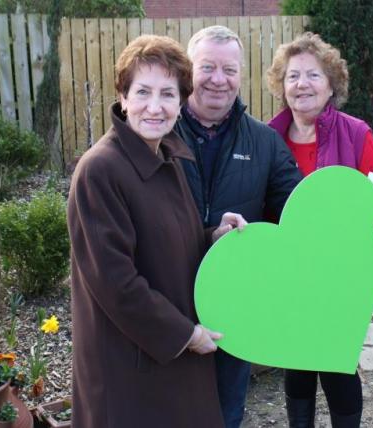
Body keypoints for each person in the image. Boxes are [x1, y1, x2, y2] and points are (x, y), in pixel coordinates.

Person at [67, 34, 247, 427]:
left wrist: (211, 237)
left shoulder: (168, 157)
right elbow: (115, 282)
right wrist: (184, 334)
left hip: (171, 359)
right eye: (143, 92)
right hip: (130, 367)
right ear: (123, 96)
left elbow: (168, 243)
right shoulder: (101, 171)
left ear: (181, 103)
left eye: (167, 94)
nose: (155, 107)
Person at [173, 26, 304, 428]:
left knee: (226, 412)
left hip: (235, 304)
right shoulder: (159, 132)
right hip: (169, 297)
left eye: (229, 69)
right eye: (207, 67)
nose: (218, 78)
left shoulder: (264, 142)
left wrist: (360, 230)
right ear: (187, 71)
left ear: (241, 75)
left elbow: (297, 215)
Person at [266, 32, 373, 428]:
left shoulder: (356, 134)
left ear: (331, 84)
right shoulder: (267, 138)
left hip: (339, 276)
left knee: (337, 365)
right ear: (281, 84)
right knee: (297, 365)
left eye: (312, 75)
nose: (301, 84)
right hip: (289, 275)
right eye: (292, 76)